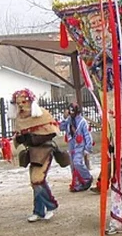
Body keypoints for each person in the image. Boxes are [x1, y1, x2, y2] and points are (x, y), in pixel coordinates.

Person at [10, 89, 62, 222]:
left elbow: (52, 132)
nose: (21, 105)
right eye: (18, 103)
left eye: (24, 102)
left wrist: (34, 138)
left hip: (45, 150)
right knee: (34, 182)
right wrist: (21, 139)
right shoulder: (20, 119)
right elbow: (19, 135)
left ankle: (51, 205)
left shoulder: (42, 114)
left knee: (37, 179)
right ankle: (38, 210)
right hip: (32, 152)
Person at [60, 103, 93, 192]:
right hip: (71, 145)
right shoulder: (69, 120)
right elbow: (60, 127)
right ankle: (77, 184)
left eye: (72, 111)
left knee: (77, 162)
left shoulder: (82, 121)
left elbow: (87, 135)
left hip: (80, 145)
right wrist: (65, 118)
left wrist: (87, 148)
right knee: (73, 165)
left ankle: (87, 178)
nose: (71, 113)